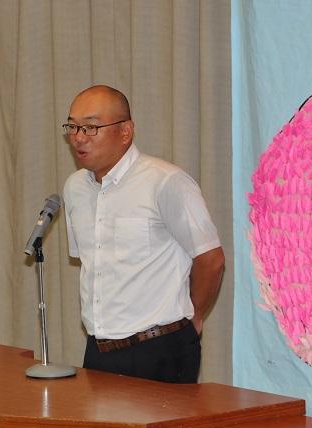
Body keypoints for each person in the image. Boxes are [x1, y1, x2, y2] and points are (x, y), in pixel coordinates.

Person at [63, 85, 225, 383]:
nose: (79, 137)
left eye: (91, 127)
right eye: (72, 126)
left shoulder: (165, 182)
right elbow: (91, 263)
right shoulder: (75, 188)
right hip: (99, 350)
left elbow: (211, 260)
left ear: (125, 132)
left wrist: (193, 319)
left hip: (161, 348)